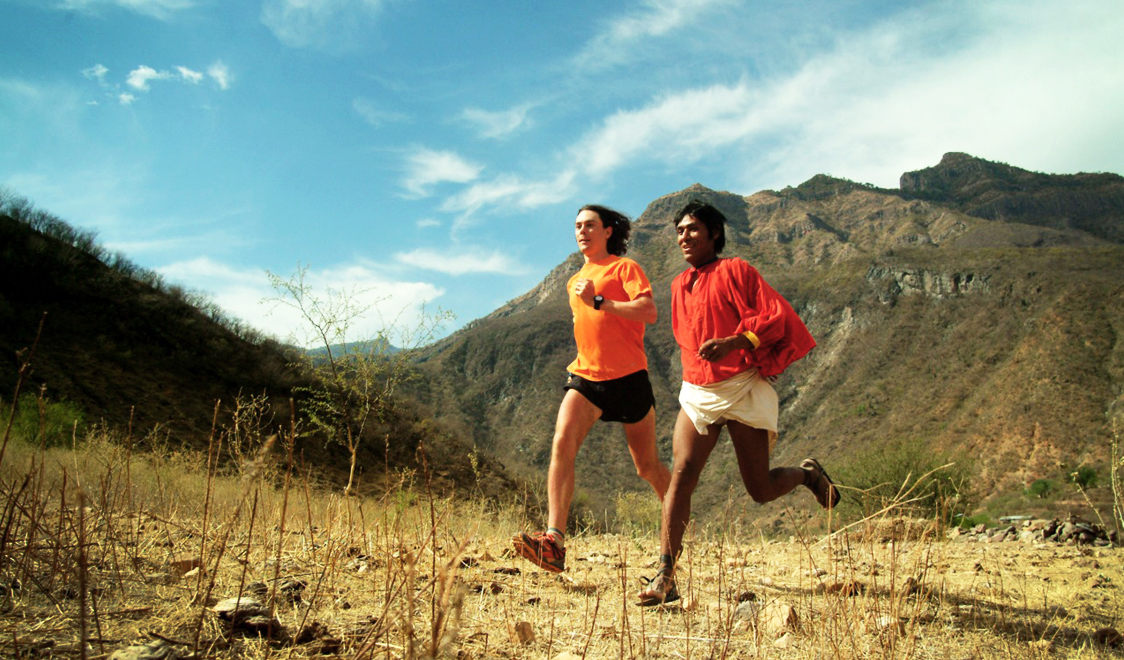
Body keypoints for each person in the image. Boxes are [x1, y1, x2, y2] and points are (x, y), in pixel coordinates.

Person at [636, 200, 839, 606]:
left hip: (743, 385)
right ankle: (666, 575)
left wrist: (734, 341)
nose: (684, 237)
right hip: (699, 393)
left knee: (760, 489)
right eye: (678, 231)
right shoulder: (678, 285)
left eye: (692, 229)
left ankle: (807, 475)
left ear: (714, 233)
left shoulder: (738, 271)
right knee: (681, 474)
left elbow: (776, 318)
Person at [513, 204, 671, 573]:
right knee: (562, 443)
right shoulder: (574, 280)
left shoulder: (625, 268)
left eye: (589, 225)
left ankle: (677, 516)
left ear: (608, 231)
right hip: (586, 377)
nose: (581, 231)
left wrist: (600, 301)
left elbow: (648, 311)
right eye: (577, 226)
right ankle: (554, 542)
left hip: (629, 378)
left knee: (646, 467)